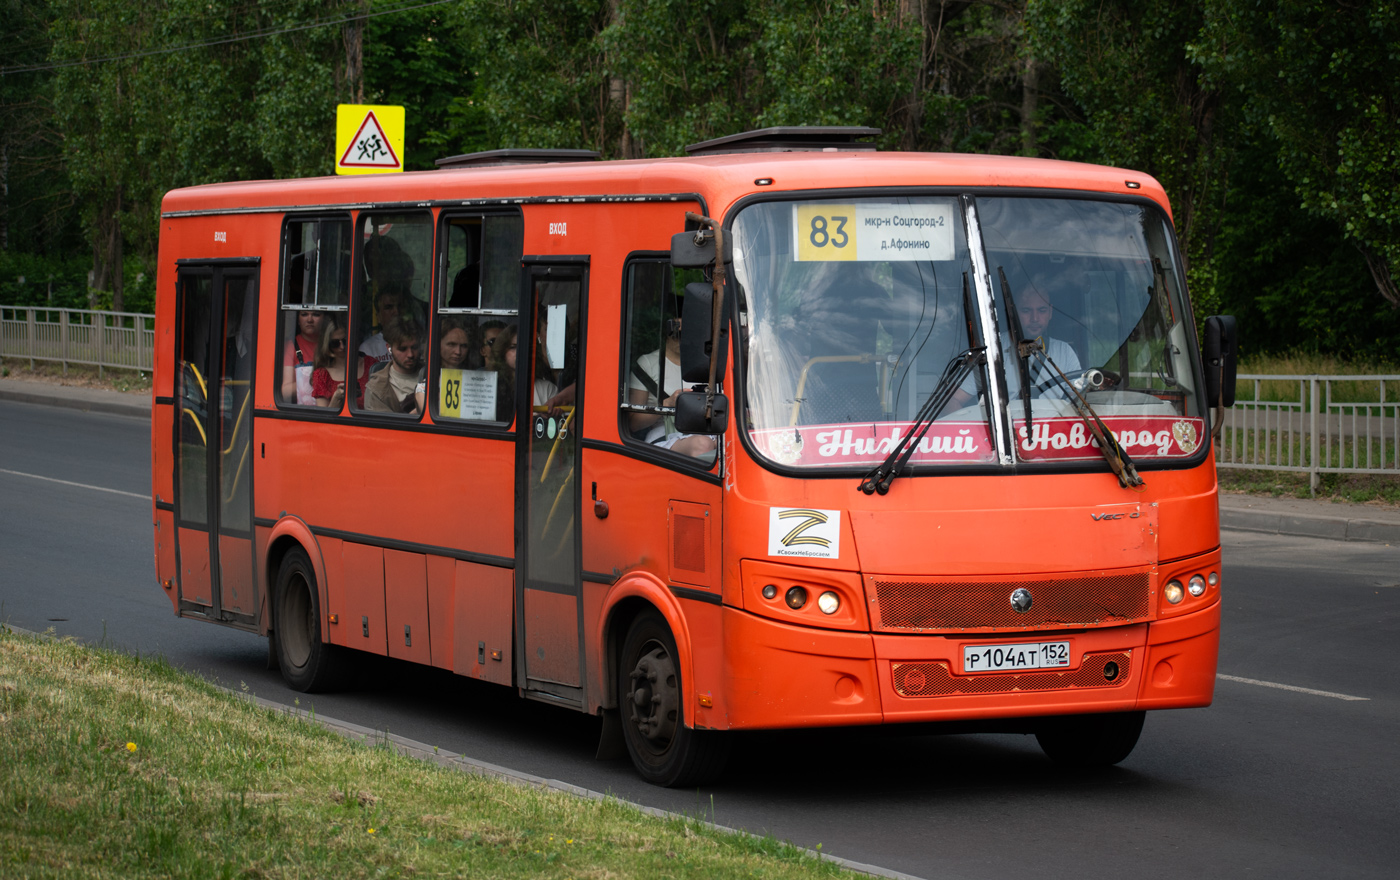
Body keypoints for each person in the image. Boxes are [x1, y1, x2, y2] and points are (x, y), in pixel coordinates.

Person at [950, 282, 1080, 409]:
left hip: (1054, 430)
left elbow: (1078, 401)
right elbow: (953, 401)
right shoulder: (992, 351)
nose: (1035, 318)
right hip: (1005, 430)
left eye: (1042, 310)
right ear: (1012, 313)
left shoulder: (1065, 353)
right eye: (1026, 310)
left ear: (1050, 312)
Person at [626, 317, 717, 460]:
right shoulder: (648, 363)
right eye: (676, 332)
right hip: (663, 434)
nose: (681, 337)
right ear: (665, 332)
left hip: (703, 430)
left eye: (687, 332)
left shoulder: (704, 364)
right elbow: (633, 423)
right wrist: (667, 405)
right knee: (703, 445)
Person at [363, 316, 425, 415]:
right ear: (389, 348)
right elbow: (383, 428)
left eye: (414, 347)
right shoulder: (376, 390)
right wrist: (420, 410)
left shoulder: (433, 373)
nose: (410, 354)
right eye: (402, 349)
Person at [311, 315, 370, 409]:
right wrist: (335, 400)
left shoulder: (371, 365)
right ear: (327, 345)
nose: (342, 347)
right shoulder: (322, 375)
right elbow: (324, 419)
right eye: (335, 343)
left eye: (345, 341)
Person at [280, 309, 325, 404]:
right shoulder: (292, 346)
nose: (309, 319)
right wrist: (308, 382)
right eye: (304, 314)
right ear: (298, 320)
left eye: (316, 314)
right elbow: (285, 391)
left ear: (324, 319)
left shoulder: (334, 344)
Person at [357, 287, 405, 367]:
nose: (396, 312)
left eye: (399, 306)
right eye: (389, 307)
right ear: (378, 317)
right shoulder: (367, 348)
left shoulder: (416, 343)